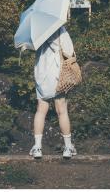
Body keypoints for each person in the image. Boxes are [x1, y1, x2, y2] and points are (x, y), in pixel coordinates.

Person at [29, 25, 77, 160]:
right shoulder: (58, 27)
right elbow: (69, 50)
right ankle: (68, 147)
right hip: (57, 74)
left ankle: (37, 147)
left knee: (41, 110)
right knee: (61, 110)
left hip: (41, 73)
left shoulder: (36, 29)